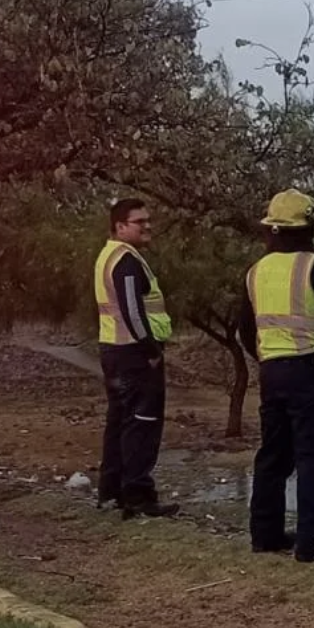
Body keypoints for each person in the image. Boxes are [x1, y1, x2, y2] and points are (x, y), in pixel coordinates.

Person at [236, 189, 314, 562]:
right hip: (310, 372)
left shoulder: (255, 273)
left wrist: (266, 358)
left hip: (271, 372)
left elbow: (244, 328)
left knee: (273, 455)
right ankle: (312, 543)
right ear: (309, 228)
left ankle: (265, 535)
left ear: (272, 229)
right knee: (313, 458)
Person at [93, 198, 178, 520]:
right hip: (134, 354)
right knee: (142, 423)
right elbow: (132, 309)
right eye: (139, 222)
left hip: (114, 348)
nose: (147, 226)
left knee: (120, 421)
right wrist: (151, 351)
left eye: (147, 220)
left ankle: (111, 491)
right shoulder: (126, 261)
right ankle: (138, 495)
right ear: (120, 226)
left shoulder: (108, 255)